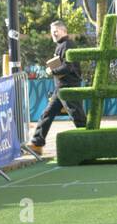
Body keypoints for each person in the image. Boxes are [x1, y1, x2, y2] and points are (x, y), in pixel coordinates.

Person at [29, 21, 87, 153]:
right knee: (47, 114)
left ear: (64, 31)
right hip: (61, 87)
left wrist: (52, 71)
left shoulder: (67, 45)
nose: (53, 34)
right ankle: (37, 144)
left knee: (77, 116)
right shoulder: (62, 45)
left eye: (56, 31)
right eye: (52, 31)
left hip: (68, 87)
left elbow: (68, 67)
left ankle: (90, 140)